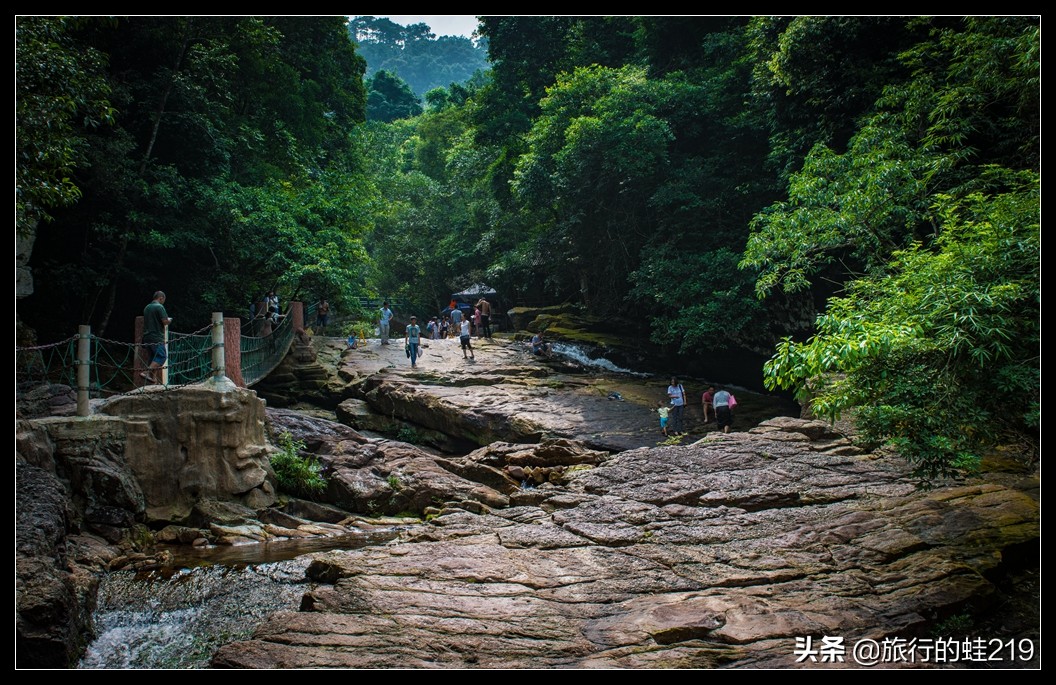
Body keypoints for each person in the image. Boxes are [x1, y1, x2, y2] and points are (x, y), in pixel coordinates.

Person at [142, 291, 172, 385]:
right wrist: (169, 320)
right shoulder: (159, 307)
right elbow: (165, 322)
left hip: (147, 337)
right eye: (163, 300)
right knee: (161, 356)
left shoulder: (147, 307)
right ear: (161, 298)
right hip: (156, 337)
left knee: (153, 359)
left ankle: (153, 381)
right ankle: (146, 372)